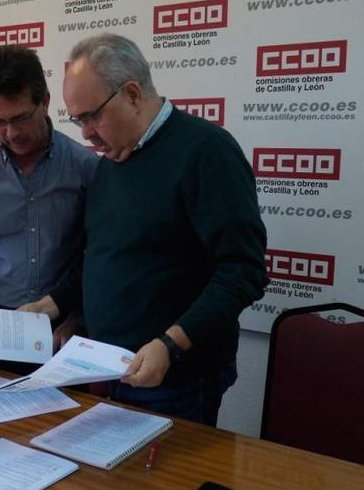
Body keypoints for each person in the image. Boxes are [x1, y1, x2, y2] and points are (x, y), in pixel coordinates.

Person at [20, 33, 268, 426]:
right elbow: (102, 258)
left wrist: (172, 344)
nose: (85, 133)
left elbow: (243, 273)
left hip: (178, 376)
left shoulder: (207, 152)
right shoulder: (110, 163)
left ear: (133, 94)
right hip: (108, 368)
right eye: (77, 119)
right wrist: (54, 305)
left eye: (91, 116)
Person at [0, 45, 97, 364]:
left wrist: (79, 318)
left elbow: (96, 256)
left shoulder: (85, 166)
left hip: (58, 335)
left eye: (21, 118)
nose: (10, 133)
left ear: (46, 102)